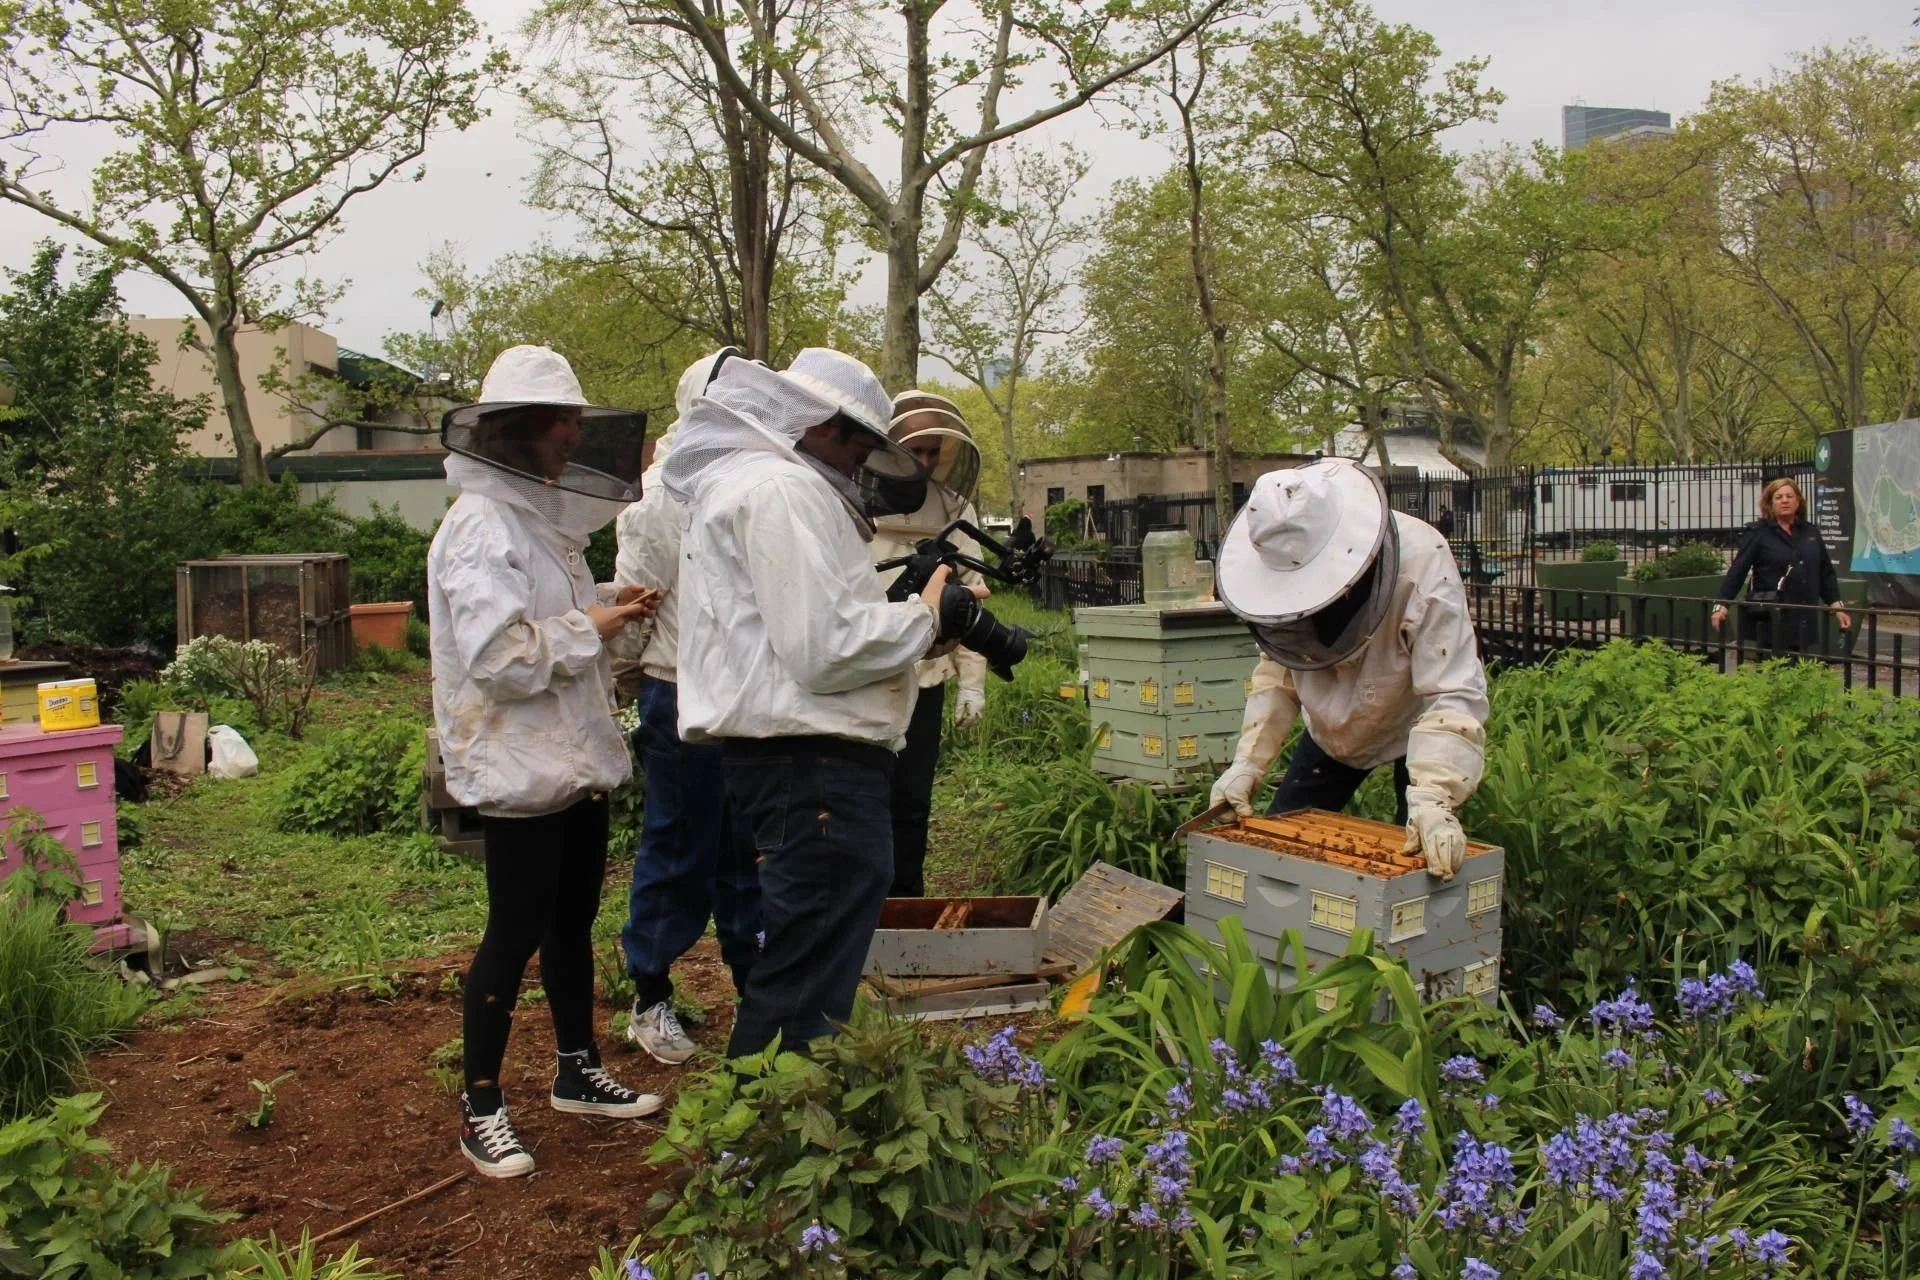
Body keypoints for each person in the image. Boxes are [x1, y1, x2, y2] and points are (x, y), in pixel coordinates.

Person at [662, 347, 988, 1058]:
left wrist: (911, 634)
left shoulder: (755, 484)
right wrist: (928, 615)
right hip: (812, 768)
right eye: (863, 444)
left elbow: (799, 639)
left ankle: (776, 1133)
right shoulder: (782, 489)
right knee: (806, 978)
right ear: (822, 425)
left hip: (792, 763)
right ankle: (765, 1144)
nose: (867, 464)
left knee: (809, 956)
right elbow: (826, 647)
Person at [428, 344, 664, 1179]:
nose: (572, 437)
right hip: (518, 765)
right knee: (514, 932)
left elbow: (548, 618)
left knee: (571, 923)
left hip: (573, 757)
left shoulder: (542, 527)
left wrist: (610, 603)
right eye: (560, 424)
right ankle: (481, 1106)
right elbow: (499, 657)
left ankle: (576, 1070)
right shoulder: (478, 529)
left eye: (573, 421)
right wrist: (592, 629)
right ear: (520, 432)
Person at [1208, 458, 1489, 880]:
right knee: (1277, 857)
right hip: (1328, 729)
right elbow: (1278, 670)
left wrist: (1434, 797)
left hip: (1411, 723)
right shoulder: (1277, 571)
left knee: (1418, 872)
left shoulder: (1422, 562)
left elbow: (1453, 691)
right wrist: (1248, 762)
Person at [604, 349, 764, 1066]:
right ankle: (650, 995)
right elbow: (633, 605)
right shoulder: (656, 497)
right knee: (678, 846)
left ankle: (756, 990)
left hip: (743, 693)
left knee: (746, 849)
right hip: (677, 688)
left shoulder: (754, 482)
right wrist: (625, 686)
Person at [869, 390, 989, 898]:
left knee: (912, 800)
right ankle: (862, 908)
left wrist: (973, 684)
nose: (922, 462)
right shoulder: (850, 501)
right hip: (863, 677)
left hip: (925, 679)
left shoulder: (954, 511)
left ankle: (905, 902)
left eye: (932, 451)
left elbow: (972, 599)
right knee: (864, 799)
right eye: (912, 450)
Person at [1710, 477, 1851, 655]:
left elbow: (1825, 572)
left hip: (1803, 616)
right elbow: (1737, 571)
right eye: (1778, 497)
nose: (1784, 500)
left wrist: (1837, 606)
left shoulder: (1811, 532)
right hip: (1771, 617)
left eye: (1789, 496)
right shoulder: (1758, 533)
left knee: (1800, 673)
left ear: (1798, 501)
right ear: (1770, 503)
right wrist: (1721, 605)